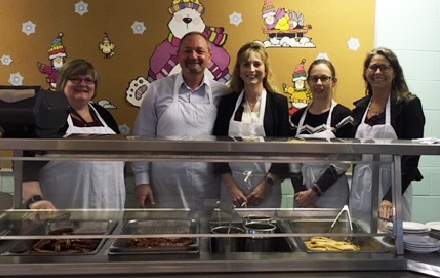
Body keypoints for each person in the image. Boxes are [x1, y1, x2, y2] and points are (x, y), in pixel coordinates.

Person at [132, 32, 228, 209]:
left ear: (209, 57)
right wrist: (142, 181)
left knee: (206, 233)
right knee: (168, 235)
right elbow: (142, 138)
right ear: (178, 56)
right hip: (164, 184)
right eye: (187, 51)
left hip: (209, 182)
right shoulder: (157, 90)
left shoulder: (223, 93)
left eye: (199, 51)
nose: (193, 56)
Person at [23, 59, 125, 209]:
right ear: (63, 83)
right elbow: (27, 167)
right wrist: (36, 202)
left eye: (89, 80)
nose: (83, 84)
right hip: (62, 211)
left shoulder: (104, 115)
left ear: (95, 88)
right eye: (76, 79)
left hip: (110, 207)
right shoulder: (47, 117)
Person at [350, 47, 425, 222]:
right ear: (366, 73)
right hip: (361, 186)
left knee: (392, 239)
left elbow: (411, 156)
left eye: (384, 67)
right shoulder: (360, 108)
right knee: (361, 236)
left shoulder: (408, 105)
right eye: (373, 67)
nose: (378, 72)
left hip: (394, 184)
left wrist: (391, 197)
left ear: (395, 73)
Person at [212, 42, 289, 208]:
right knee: (232, 232)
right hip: (232, 189)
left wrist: (266, 185)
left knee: (265, 232)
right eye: (246, 64)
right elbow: (217, 147)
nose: (251, 69)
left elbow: (285, 150)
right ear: (239, 71)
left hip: (268, 188)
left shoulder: (278, 103)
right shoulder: (228, 102)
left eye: (257, 64)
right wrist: (231, 187)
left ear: (265, 69)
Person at [289, 59, 353, 208]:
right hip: (302, 192)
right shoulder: (296, 118)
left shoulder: (343, 116)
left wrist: (314, 192)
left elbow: (343, 160)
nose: (319, 83)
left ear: (334, 82)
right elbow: (291, 158)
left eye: (324, 78)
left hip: (333, 191)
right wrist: (301, 193)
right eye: (314, 78)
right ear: (308, 82)